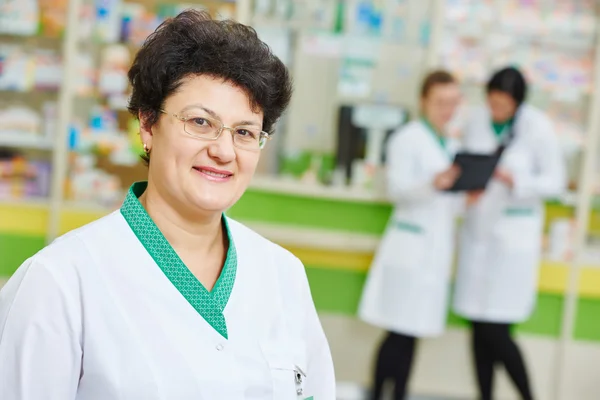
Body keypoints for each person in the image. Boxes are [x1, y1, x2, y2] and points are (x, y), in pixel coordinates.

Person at [0, 10, 335, 400]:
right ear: (147, 125)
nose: (223, 150)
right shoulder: (60, 281)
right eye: (200, 122)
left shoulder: (283, 276)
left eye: (245, 132)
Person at [453, 66, 566, 400]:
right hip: (478, 232)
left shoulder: (538, 128)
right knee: (477, 324)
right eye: (492, 102)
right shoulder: (475, 120)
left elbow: (555, 182)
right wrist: (467, 183)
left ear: (518, 103)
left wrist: (515, 181)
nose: (496, 110)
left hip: (514, 237)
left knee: (497, 328)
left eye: (504, 105)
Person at [358, 70, 465, 400]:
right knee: (399, 330)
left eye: (452, 102)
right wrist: (434, 182)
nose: (447, 109)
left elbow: (451, 206)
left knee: (412, 331)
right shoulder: (407, 137)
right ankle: (379, 394)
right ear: (424, 102)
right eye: (440, 102)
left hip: (433, 250)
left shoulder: (453, 144)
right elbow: (397, 190)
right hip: (409, 248)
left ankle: (399, 394)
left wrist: (464, 192)